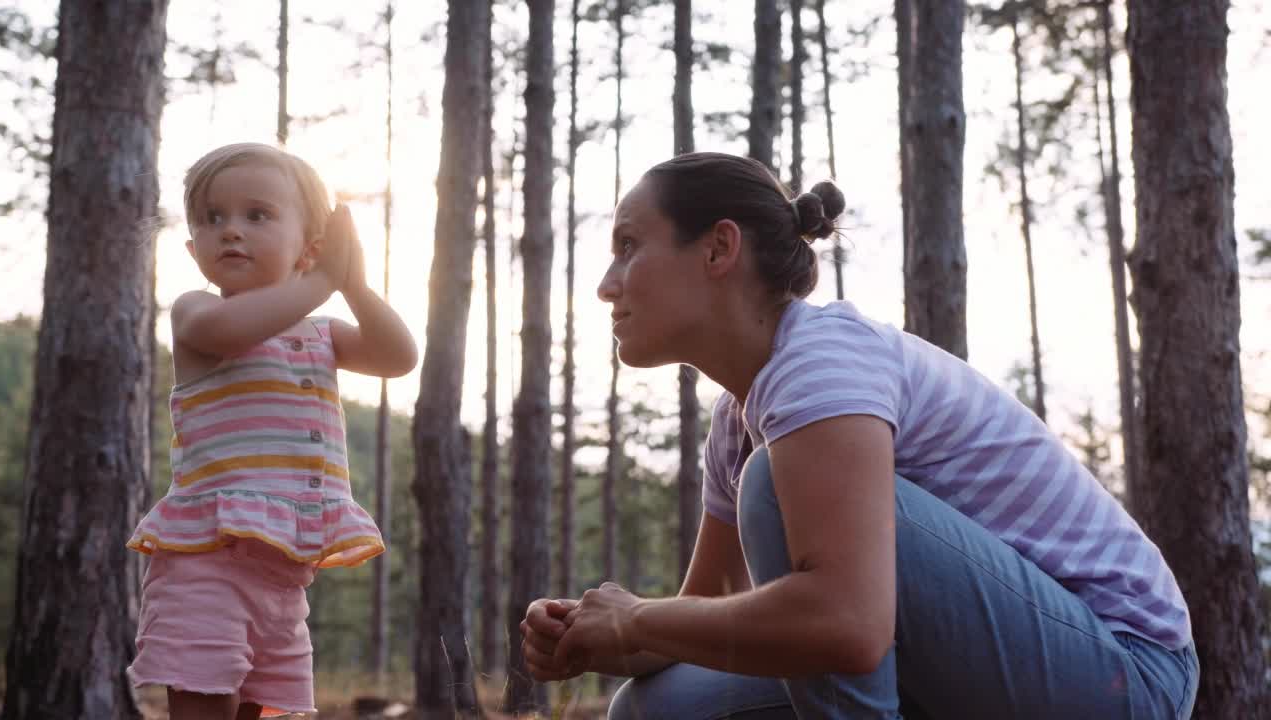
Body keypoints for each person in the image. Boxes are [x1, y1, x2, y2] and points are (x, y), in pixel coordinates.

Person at [521, 152, 1198, 719]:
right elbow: (704, 613)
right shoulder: (740, 421)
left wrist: (636, 618)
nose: (608, 285)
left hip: (1127, 673)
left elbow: (845, 624)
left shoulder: (821, 362)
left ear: (719, 249)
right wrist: (589, 634)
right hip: (992, 657)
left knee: (773, 498)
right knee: (654, 709)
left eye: (630, 246)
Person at [126, 143, 418, 720]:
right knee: (205, 702)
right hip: (207, 562)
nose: (230, 230)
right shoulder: (196, 314)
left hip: (284, 579)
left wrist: (352, 285)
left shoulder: (323, 333)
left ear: (308, 248)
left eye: (256, 215)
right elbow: (230, 330)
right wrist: (323, 280)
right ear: (193, 248)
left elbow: (398, 356)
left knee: (262, 708)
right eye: (213, 217)